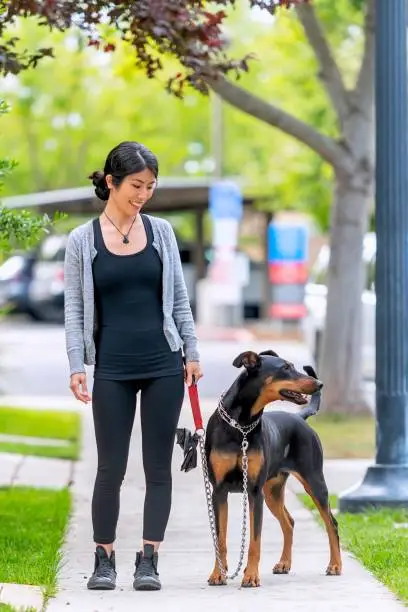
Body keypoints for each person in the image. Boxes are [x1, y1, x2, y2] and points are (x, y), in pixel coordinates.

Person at [63, 141, 202, 592]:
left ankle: (149, 559)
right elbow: (73, 311)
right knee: (111, 469)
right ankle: (104, 560)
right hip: (112, 368)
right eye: (135, 186)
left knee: (158, 468)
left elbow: (179, 299)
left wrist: (193, 353)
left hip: (164, 363)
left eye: (150, 187)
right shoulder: (83, 240)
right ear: (111, 182)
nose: (143, 194)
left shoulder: (161, 232)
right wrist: (76, 364)